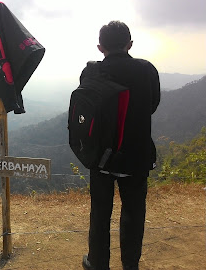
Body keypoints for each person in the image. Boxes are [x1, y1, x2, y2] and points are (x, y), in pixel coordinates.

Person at [80, 21, 160, 270]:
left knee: (100, 212)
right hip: (136, 154)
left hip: (101, 155)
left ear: (100, 47)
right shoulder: (146, 70)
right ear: (130, 44)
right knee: (134, 213)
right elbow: (152, 105)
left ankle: (97, 262)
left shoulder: (91, 71)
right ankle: (130, 265)